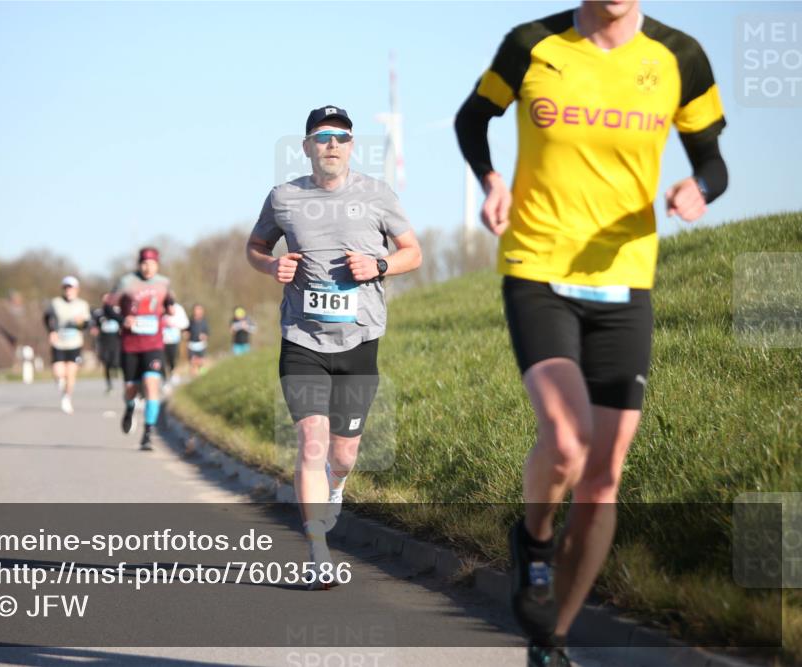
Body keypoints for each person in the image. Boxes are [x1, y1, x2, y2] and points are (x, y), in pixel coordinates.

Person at [454, 2, 727, 664]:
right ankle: (534, 538)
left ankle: (552, 640)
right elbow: (473, 117)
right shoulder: (532, 44)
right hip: (539, 268)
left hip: (626, 280)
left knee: (603, 477)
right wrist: (491, 180)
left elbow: (714, 163)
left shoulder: (680, 56)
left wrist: (699, 189)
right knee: (567, 439)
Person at [246, 105, 422, 589]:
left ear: (351, 146)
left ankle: (337, 485)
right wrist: (270, 266)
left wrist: (379, 266)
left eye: (341, 137)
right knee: (311, 442)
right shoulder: (284, 198)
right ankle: (317, 552)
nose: (332, 144)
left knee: (342, 456)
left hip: (359, 340)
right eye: (323, 136)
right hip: (302, 340)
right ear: (306, 146)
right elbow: (255, 247)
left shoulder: (377, 195)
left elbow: (413, 252)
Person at [110, 247, 176, 449]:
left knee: (151, 384)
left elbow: (169, 301)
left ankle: (148, 433)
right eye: (145, 263)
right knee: (130, 389)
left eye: (152, 264)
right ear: (139, 264)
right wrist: (122, 319)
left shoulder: (164, 283)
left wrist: (171, 307)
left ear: (157, 265)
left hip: (154, 344)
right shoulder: (126, 282)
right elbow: (107, 307)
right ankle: (130, 407)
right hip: (130, 345)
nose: (148, 267)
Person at [43, 276, 92, 415]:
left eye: (71, 288)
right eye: (66, 288)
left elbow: (87, 324)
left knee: (71, 373)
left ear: (77, 289)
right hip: (59, 342)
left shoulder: (82, 305)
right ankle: (60, 383)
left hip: (74, 343)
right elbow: (47, 318)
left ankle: (67, 398)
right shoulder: (56, 303)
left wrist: (81, 322)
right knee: (59, 372)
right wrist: (51, 331)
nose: (68, 290)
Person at [90, 293, 122, 393]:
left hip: (116, 340)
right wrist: (94, 329)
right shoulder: (99, 313)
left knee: (115, 362)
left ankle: (116, 370)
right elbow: (93, 324)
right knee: (106, 362)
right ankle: (109, 385)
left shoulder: (118, 311)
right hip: (104, 341)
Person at [162, 301, 190, 381]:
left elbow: (185, 323)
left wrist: (173, 324)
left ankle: (173, 375)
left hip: (173, 339)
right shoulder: (160, 306)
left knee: (172, 359)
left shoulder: (178, 308)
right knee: (162, 361)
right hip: (160, 340)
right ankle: (164, 378)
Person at [186, 304, 209, 377]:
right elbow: (186, 331)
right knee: (192, 362)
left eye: (199, 309)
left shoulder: (204, 322)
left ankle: (202, 376)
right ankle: (193, 377)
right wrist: (186, 334)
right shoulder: (190, 321)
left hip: (201, 345)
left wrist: (204, 336)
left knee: (201, 362)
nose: (197, 311)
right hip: (191, 345)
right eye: (196, 309)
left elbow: (207, 333)